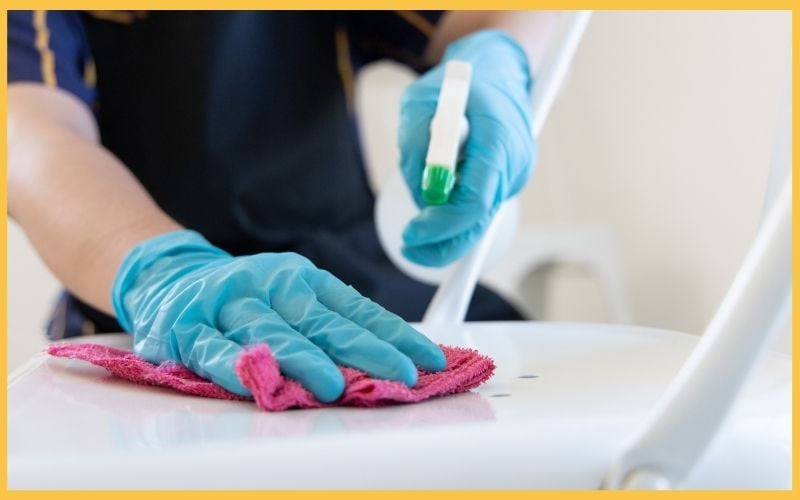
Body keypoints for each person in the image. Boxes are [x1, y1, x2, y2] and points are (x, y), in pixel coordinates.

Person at [8, 10, 556, 402]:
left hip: (362, 286)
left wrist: (494, 58)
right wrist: (160, 272)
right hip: (154, 315)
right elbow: (28, 135)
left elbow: (489, 14)